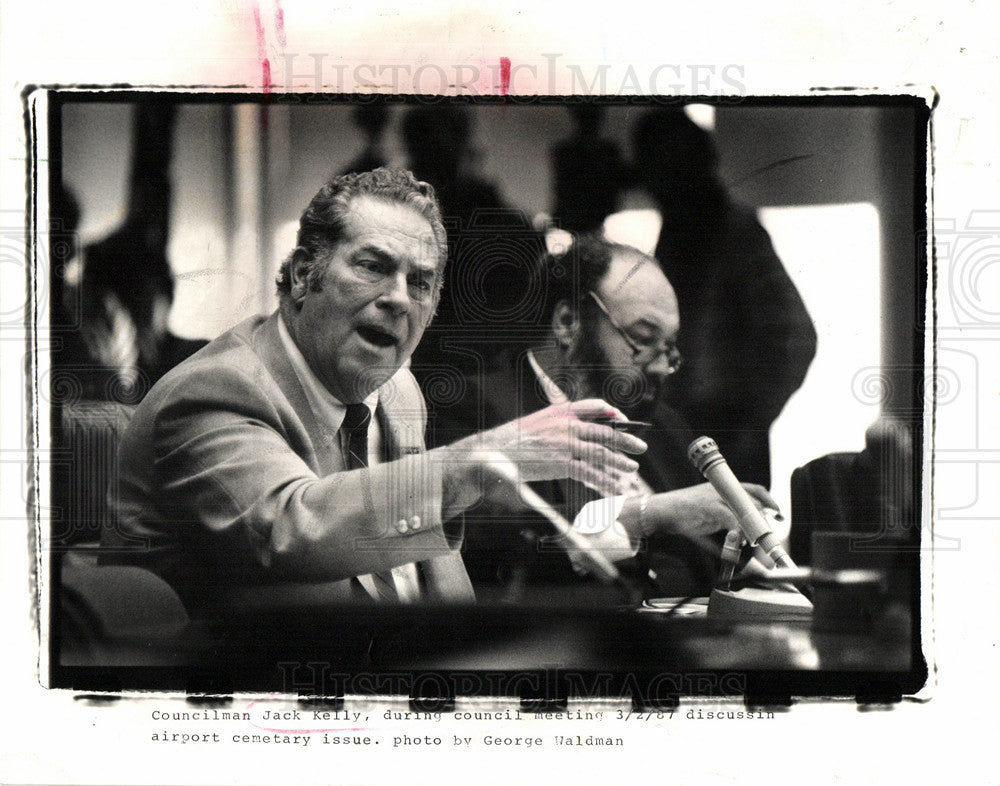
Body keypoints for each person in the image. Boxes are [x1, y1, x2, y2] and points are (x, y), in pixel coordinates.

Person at [100, 168, 647, 618]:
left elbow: (427, 571)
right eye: (373, 266)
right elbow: (293, 531)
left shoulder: (399, 390)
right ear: (301, 274)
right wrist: (480, 461)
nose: (399, 300)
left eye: (421, 283)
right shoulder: (215, 390)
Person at [429, 234, 779, 601]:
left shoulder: (664, 425)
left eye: (670, 347)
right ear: (567, 322)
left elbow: (716, 568)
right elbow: (497, 556)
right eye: (643, 339)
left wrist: (751, 566)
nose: (661, 366)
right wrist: (645, 515)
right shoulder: (474, 409)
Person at [631, 108, 817, 487]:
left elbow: (795, 337)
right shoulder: (677, 236)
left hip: (727, 440)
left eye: (672, 172)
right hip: (682, 437)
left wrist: (751, 424)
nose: (660, 186)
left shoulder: (735, 233)